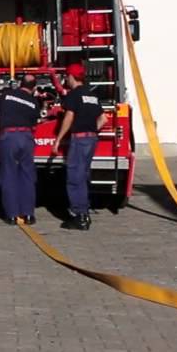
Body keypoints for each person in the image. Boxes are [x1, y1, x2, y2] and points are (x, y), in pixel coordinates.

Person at [52, 63, 107, 231]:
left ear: (71, 77)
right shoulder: (92, 96)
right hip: (91, 139)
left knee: (74, 178)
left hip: (79, 140)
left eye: (67, 76)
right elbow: (103, 119)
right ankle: (84, 209)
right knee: (83, 176)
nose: (66, 79)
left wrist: (58, 139)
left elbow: (69, 118)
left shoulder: (74, 95)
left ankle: (80, 216)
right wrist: (91, 129)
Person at [0, 73, 40, 225]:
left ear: (20, 84)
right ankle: (28, 214)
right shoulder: (34, 103)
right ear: (34, 88)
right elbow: (35, 122)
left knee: (9, 175)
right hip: (26, 137)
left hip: (9, 137)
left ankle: (12, 215)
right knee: (27, 175)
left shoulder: (6, 95)